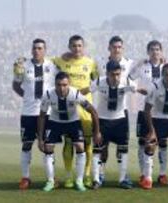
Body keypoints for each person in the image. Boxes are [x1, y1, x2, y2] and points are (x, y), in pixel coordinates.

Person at [37, 72, 101, 192]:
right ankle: (50, 181)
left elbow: (93, 111)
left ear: (69, 84)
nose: (62, 88)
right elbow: (41, 116)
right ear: (55, 85)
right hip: (55, 121)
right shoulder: (48, 95)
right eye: (59, 85)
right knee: (48, 148)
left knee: (80, 146)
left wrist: (97, 132)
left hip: (73, 121)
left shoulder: (76, 94)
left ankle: (79, 181)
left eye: (64, 85)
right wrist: (40, 139)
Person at [52, 35, 99, 188]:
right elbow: (46, 61)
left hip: (85, 108)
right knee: (68, 142)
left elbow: (96, 80)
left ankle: (86, 175)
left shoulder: (91, 63)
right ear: (69, 47)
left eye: (79, 45)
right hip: (68, 108)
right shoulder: (62, 61)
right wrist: (60, 56)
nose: (76, 49)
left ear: (83, 46)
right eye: (73, 46)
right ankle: (68, 176)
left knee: (86, 143)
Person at [12, 38, 58, 190]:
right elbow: (15, 85)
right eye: (34, 48)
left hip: (47, 113)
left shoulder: (52, 66)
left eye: (40, 48)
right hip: (28, 113)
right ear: (31, 50)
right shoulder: (23, 66)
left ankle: (51, 178)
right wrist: (26, 97)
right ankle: (26, 178)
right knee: (26, 145)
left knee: (48, 147)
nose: (37, 51)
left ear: (45, 50)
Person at [89, 60, 142, 189]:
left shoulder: (125, 81)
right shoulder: (99, 82)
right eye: (113, 74)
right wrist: (75, 94)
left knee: (123, 150)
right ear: (107, 74)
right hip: (102, 120)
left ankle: (122, 179)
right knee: (98, 150)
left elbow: (137, 89)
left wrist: (146, 91)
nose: (116, 77)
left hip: (120, 121)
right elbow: (87, 89)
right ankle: (96, 179)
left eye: (118, 74)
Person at [127, 40, 164, 184]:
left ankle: (162, 173)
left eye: (157, 49)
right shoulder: (142, 67)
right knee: (143, 141)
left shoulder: (166, 67)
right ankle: (143, 173)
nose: (155, 52)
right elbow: (129, 78)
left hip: (161, 111)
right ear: (148, 52)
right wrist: (136, 89)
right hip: (144, 109)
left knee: (162, 142)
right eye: (152, 49)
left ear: (161, 51)